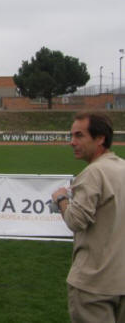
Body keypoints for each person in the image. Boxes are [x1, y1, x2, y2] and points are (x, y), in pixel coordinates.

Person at [51, 112, 125, 323]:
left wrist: (61, 199)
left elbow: (75, 221)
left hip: (94, 283)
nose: (72, 142)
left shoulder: (93, 173)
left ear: (100, 138)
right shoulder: (121, 167)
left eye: (79, 135)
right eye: (71, 135)